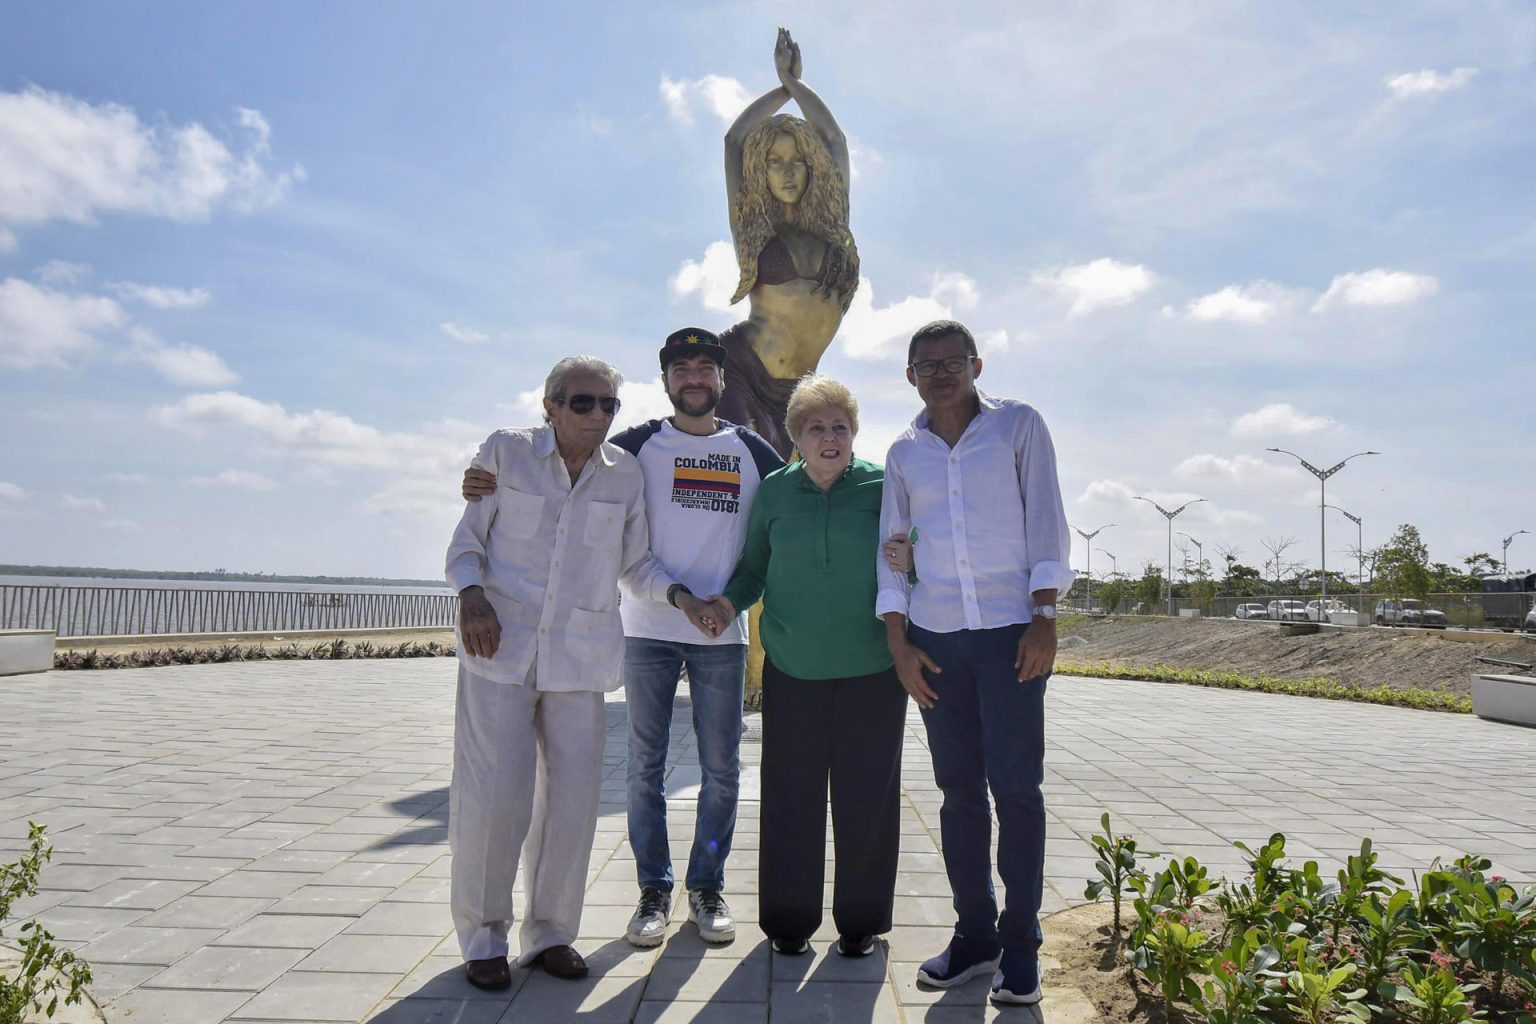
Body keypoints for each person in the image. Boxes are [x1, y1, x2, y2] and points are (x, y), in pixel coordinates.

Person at [461, 327, 784, 950]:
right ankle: (654, 891)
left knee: (722, 771)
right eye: (681, 368)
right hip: (647, 632)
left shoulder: (752, 449)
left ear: (722, 381)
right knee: (645, 769)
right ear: (665, 382)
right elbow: (558, 458)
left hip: (723, 634)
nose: (695, 378)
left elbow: (796, 505)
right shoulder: (634, 445)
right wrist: (479, 481)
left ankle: (707, 887)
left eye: (706, 369)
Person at [445, 356, 669, 990]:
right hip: (500, 649)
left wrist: (683, 598)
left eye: (607, 406)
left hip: (581, 657)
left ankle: (551, 934)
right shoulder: (504, 454)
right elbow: (466, 544)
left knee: (574, 803)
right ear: (550, 405)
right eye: (582, 403)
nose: (596, 416)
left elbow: (637, 564)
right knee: (494, 801)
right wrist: (471, 596)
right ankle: (484, 937)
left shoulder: (625, 476)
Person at [876, 320, 1074, 1006]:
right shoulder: (904, 451)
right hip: (936, 644)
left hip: (1011, 636)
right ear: (909, 376)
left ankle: (1021, 947)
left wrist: (1045, 616)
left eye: (952, 361)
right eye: (925, 364)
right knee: (958, 795)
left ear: (977, 364)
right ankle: (976, 936)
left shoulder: (1017, 427)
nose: (940, 373)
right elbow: (892, 548)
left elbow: (1045, 519)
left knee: (1016, 790)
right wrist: (899, 643)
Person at [698, 375, 908, 958]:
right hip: (792, 669)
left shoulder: (882, 486)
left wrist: (914, 558)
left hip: (873, 669)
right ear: (797, 438)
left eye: (840, 426)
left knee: (868, 797)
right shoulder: (775, 492)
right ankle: (788, 922)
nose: (830, 436)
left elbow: (914, 555)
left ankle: (861, 922)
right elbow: (753, 569)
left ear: (854, 434)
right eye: (816, 428)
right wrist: (724, 604)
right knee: (791, 797)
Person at [716, 28, 859, 456]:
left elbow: (835, 140)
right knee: (742, 477)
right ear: (762, 171)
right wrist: (782, 89)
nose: (789, 171)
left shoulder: (834, 229)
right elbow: (734, 141)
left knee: (793, 492)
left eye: (798, 160)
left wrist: (798, 85)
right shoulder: (754, 232)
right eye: (775, 163)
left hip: (801, 388)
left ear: (813, 167)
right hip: (740, 368)